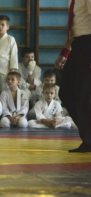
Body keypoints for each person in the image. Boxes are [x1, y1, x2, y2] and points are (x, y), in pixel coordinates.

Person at [54, 0, 91, 152]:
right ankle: (89, 136)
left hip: (88, 44)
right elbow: (75, 27)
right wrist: (65, 52)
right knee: (66, 92)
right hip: (78, 45)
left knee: (84, 96)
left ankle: (89, 140)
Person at [0, 15, 18, 91]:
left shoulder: (10, 39)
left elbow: (14, 57)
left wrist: (12, 75)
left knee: (4, 93)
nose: (0, 27)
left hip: (5, 72)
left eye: (3, 25)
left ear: (7, 27)